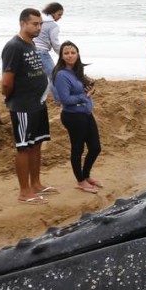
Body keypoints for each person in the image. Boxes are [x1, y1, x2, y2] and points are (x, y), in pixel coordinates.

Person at [1, 8, 55, 205]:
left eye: (40, 24)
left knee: (37, 143)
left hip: (37, 103)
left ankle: (36, 184)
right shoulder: (14, 46)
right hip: (23, 105)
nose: (38, 27)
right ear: (23, 23)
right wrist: (12, 99)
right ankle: (24, 191)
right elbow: (7, 81)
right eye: (34, 24)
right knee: (23, 147)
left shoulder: (31, 43)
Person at [51, 41, 103, 193]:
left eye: (73, 52)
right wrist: (83, 96)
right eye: (66, 53)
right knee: (78, 149)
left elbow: (83, 91)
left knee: (95, 147)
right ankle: (80, 181)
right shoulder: (61, 75)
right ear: (61, 56)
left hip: (86, 113)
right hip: (73, 116)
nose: (70, 55)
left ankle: (86, 176)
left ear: (78, 54)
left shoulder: (77, 71)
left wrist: (90, 91)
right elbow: (65, 100)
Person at [35, 2, 64, 86]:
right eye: (59, 14)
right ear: (53, 13)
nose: (60, 17)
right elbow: (55, 44)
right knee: (54, 76)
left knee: (36, 76)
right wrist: (62, 55)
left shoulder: (38, 22)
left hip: (32, 50)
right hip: (42, 52)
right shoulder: (53, 26)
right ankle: (58, 96)